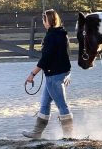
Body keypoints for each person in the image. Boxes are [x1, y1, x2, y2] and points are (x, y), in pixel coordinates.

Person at [22, 9, 73, 139]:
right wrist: (68, 73)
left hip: (54, 76)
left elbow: (45, 59)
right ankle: (37, 133)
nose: (43, 23)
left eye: (44, 20)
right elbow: (66, 56)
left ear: (48, 21)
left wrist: (32, 74)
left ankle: (69, 135)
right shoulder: (62, 34)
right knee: (44, 104)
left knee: (62, 105)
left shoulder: (51, 36)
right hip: (58, 74)